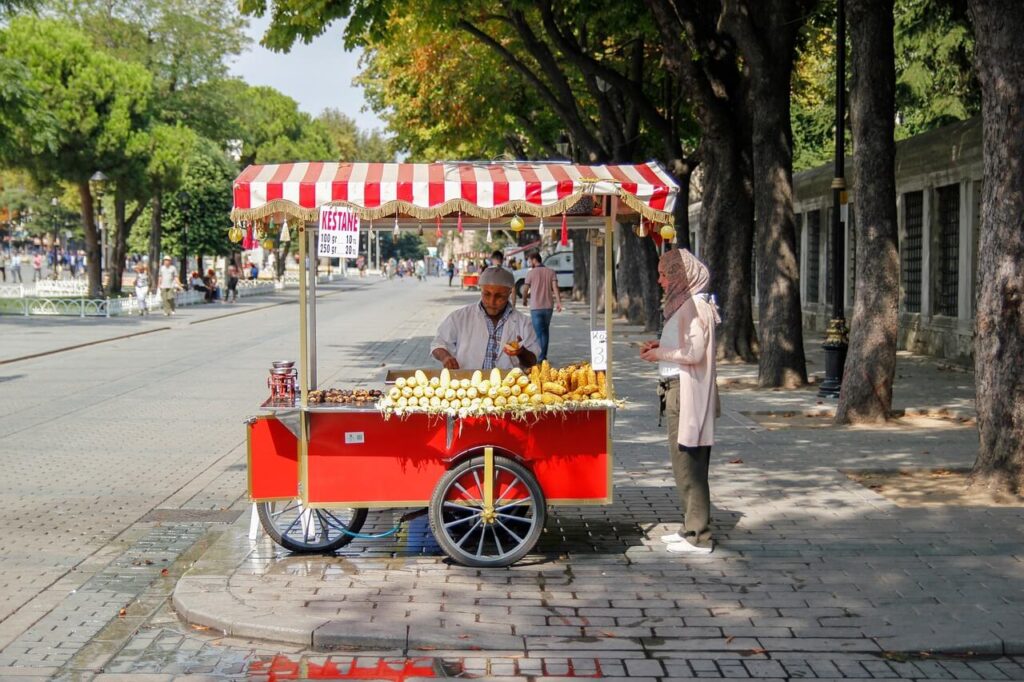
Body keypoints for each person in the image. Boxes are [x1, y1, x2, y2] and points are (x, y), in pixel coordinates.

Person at [640, 249, 720, 555]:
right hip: (677, 388)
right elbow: (687, 345)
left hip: (687, 391)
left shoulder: (696, 305)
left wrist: (661, 354)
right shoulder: (685, 304)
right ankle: (690, 527)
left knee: (691, 462)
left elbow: (694, 354)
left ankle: (700, 535)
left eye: (665, 274)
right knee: (681, 460)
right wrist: (663, 345)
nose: (660, 280)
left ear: (681, 276)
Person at [431, 266, 540, 370]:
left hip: (507, 386)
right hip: (469, 385)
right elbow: (438, 343)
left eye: (499, 296)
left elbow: (532, 361)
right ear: (481, 290)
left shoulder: (524, 323)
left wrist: (521, 352)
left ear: (509, 293)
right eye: (487, 294)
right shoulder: (459, 317)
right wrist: (445, 357)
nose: (492, 301)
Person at [521, 251, 562, 362]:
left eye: (530, 260)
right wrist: (559, 303)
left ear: (534, 259)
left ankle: (541, 357)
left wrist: (524, 300)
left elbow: (525, 289)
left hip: (536, 307)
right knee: (545, 331)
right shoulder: (551, 272)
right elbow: (555, 288)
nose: (529, 263)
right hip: (548, 306)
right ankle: (543, 356)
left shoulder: (531, 273)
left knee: (539, 333)